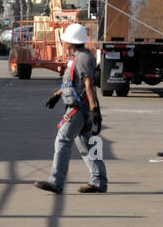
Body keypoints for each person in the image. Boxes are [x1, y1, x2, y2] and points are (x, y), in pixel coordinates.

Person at [35, 23, 108, 194]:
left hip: (79, 108)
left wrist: (93, 109)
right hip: (78, 106)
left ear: (71, 42)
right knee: (87, 145)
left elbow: (88, 83)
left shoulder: (82, 58)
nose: (64, 43)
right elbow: (71, 82)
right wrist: (57, 94)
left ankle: (56, 182)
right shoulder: (78, 57)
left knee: (62, 140)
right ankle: (99, 182)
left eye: (65, 41)